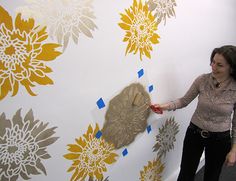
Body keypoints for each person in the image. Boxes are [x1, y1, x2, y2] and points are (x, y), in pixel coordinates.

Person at [152, 45, 236, 181]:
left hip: (220, 140)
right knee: (185, 173)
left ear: (231, 68)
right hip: (194, 134)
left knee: (212, 176)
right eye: (213, 62)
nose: (213, 67)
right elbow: (183, 101)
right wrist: (164, 106)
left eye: (219, 65)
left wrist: (234, 150)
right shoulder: (202, 80)